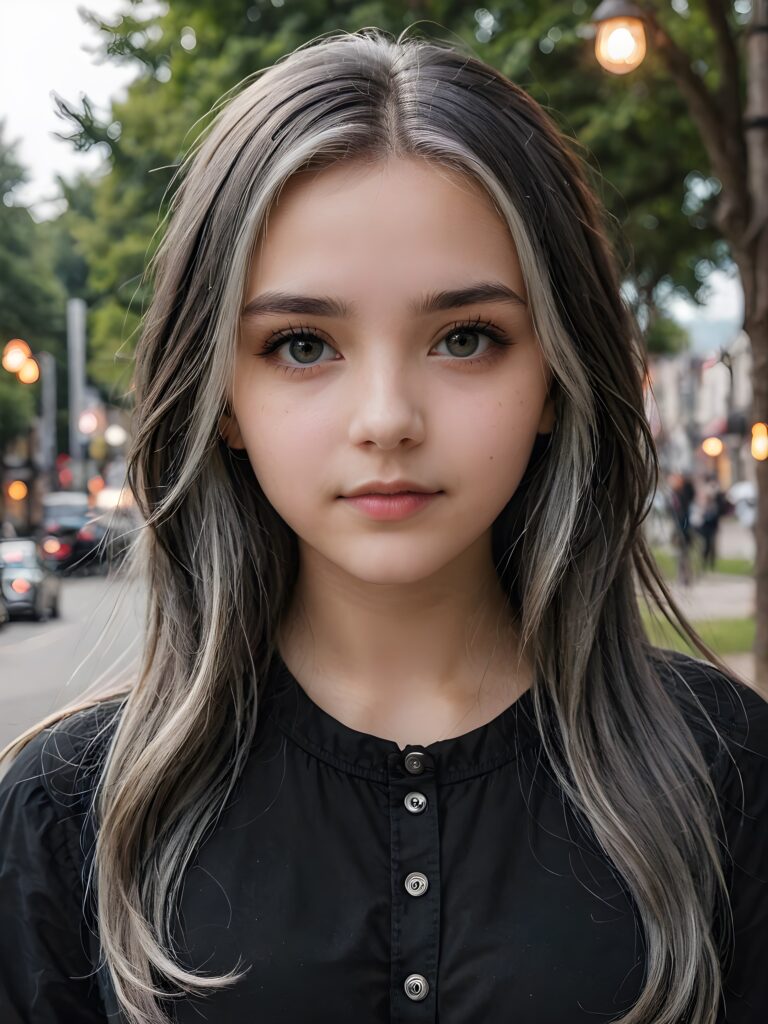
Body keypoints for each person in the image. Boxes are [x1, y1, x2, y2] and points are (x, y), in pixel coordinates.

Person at [1, 28, 766, 1024]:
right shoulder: (71, 815)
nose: (387, 419)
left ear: (556, 373)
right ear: (221, 396)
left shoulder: (728, 776)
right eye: (302, 344)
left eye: (466, 338)